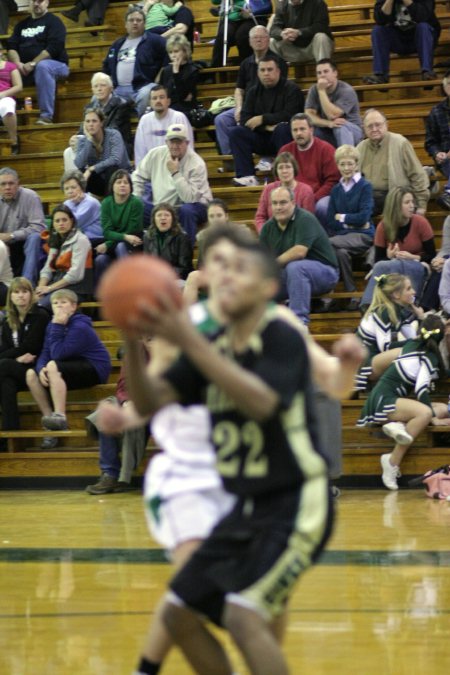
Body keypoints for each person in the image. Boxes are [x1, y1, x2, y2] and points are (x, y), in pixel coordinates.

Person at [95, 225, 364, 675]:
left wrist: (191, 341)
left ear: (265, 288)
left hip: (298, 501)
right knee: (178, 612)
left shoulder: (278, 333)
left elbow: (261, 403)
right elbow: (149, 401)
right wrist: (127, 337)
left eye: (240, 269)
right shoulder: (209, 339)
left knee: (243, 614)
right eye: (221, 268)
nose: (228, 278)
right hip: (245, 503)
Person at [357, 315, 450, 490]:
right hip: (384, 401)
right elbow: (421, 389)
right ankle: (392, 461)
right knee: (425, 413)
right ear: (442, 334)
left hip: (383, 398)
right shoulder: (430, 357)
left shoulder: (411, 344)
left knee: (441, 408)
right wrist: (433, 419)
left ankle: (398, 423)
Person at [25, 289, 111, 447]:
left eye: (63, 302)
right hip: (68, 367)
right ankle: (49, 422)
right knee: (31, 375)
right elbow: (45, 351)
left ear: (74, 306)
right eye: (55, 303)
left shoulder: (80, 325)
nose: (59, 307)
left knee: (53, 365)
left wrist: (57, 325)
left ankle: (60, 417)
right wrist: (41, 369)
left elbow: (58, 354)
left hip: (94, 368)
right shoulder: (52, 326)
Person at [260, 185, 339, 324]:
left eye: (283, 202)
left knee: (295, 267)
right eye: (275, 203)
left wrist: (272, 264)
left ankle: (299, 324)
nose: (278, 207)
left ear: (293, 203)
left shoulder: (305, 219)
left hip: (326, 273)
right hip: (292, 276)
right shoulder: (268, 228)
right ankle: (264, 326)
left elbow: (300, 251)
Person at [214, 24, 288, 167]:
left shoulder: (277, 62)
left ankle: (268, 158)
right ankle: (231, 159)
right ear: (249, 41)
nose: (258, 40)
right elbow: (239, 89)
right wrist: (239, 107)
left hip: (268, 107)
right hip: (246, 107)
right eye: (255, 37)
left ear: (268, 40)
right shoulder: (245, 63)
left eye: (261, 37)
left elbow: (279, 90)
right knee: (221, 120)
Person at [229, 56, 304, 187]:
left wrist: (262, 119)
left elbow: (290, 115)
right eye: (262, 70)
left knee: (282, 128)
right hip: (261, 137)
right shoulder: (253, 91)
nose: (266, 73)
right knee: (236, 132)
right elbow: (245, 120)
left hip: (284, 138)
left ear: (278, 72)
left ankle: (283, 177)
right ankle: (247, 176)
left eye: (270, 69)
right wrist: (267, 127)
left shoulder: (292, 89)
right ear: (258, 73)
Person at [132, 123, 212, 242]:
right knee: (136, 205)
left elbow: (190, 198)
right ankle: (146, 249)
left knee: (187, 210)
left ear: (187, 143)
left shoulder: (197, 164)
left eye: (179, 142)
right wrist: (138, 196)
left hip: (194, 206)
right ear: (166, 142)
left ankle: (185, 254)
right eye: (172, 142)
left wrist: (175, 173)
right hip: (162, 207)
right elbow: (137, 177)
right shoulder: (155, 154)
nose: (175, 146)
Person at [360, 187, 436, 309]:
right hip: (393, 270)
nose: (412, 206)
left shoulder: (421, 222)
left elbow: (432, 256)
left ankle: (371, 306)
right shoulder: (383, 226)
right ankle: (368, 307)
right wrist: (389, 256)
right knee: (384, 265)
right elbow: (379, 260)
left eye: (412, 202)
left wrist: (413, 257)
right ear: (395, 206)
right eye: (407, 202)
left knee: (398, 264)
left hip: (418, 267)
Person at [0, 278, 49, 443]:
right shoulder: (7, 322)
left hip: (36, 368)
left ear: (31, 294)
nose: (21, 296)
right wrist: (16, 357)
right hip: (16, 368)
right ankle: (10, 436)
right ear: (11, 297)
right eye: (16, 292)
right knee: (6, 384)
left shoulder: (40, 315)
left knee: (4, 365)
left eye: (24, 291)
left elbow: (32, 346)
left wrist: (12, 356)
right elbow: (4, 350)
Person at [355, 273, 423, 391]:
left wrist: (421, 317)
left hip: (375, 359)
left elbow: (414, 337)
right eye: (408, 288)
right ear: (396, 294)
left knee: (418, 347)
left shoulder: (398, 311)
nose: (413, 292)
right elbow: (385, 347)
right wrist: (413, 342)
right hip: (364, 364)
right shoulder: (383, 311)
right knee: (404, 350)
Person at [326, 145, 374, 311]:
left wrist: (342, 218)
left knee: (327, 243)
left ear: (356, 164)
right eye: (342, 164)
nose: (346, 168)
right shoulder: (336, 190)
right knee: (340, 253)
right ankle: (352, 294)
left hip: (364, 236)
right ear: (337, 165)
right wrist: (352, 222)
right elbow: (330, 221)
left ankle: (327, 292)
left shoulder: (365, 186)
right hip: (344, 239)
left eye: (349, 164)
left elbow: (364, 217)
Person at [357, 108, 430, 216]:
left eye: (378, 125)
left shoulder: (400, 143)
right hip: (369, 197)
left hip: (395, 196)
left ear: (386, 124)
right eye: (370, 126)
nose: (374, 129)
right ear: (364, 129)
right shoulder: (360, 148)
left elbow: (417, 175)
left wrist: (421, 205)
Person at [7, 0, 69, 125]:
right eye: (34, 1)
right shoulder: (21, 25)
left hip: (57, 64)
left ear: (47, 2)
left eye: (40, 1)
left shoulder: (54, 22)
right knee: (5, 68)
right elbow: (11, 47)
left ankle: (46, 116)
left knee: (43, 66)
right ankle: (6, 115)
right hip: (25, 68)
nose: (36, 4)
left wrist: (33, 63)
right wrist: (18, 63)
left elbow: (54, 48)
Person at [102, 6, 168, 118]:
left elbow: (169, 54)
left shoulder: (155, 40)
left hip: (142, 87)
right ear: (126, 24)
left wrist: (160, 73)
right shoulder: (117, 44)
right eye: (131, 20)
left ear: (144, 23)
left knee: (146, 93)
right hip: (118, 89)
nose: (135, 23)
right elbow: (106, 66)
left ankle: (142, 122)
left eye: (139, 20)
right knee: (98, 97)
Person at [279, 113, 341, 226]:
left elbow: (332, 181)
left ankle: (324, 238)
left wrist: (311, 199)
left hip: (319, 197)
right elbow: (280, 178)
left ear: (311, 130)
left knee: (323, 206)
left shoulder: (326, 149)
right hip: (293, 197)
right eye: (295, 130)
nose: (299, 133)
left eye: (302, 129)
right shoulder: (285, 151)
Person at [64, 72, 133, 171]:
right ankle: (76, 183)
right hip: (95, 141)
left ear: (111, 88)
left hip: (114, 144)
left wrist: (90, 137)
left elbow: (112, 130)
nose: (99, 89)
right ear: (92, 90)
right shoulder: (89, 107)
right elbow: (83, 129)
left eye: (103, 85)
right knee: (68, 151)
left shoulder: (122, 105)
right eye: (96, 86)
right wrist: (77, 137)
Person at [362, 0, 440, 85]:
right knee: (378, 30)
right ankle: (380, 75)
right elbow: (380, 20)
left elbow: (423, 17)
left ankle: (427, 72)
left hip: (421, 39)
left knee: (423, 26)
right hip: (398, 40)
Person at [35, 204, 93, 310]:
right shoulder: (55, 239)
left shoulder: (81, 240)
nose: (61, 224)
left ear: (71, 221)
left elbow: (75, 275)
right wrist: (40, 289)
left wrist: (49, 288)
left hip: (76, 288)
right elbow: (48, 268)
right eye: (57, 221)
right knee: (29, 303)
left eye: (64, 220)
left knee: (39, 308)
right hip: (56, 285)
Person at [94, 169, 144, 284]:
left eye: (126, 182)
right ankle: (99, 296)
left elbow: (132, 231)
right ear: (112, 186)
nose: (122, 185)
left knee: (121, 246)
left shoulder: (136, 203)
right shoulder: (106, 203)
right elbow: (107, 232)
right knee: (100, 260)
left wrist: (108, 244)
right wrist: (125, 237)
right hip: (118, 242)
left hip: (133, 245)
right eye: (119, 182)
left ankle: (129, 284)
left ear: (131, 187)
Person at [0, 167, 45, 285]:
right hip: (3, 245)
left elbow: (39, 227)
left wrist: (11, 236)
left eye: (11, 183)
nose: (7, 187)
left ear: (18, 184)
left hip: (25, 243)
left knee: (35, 238)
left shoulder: (31, 197)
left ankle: (27, 284)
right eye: (3, 184)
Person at [305, 59, 363, 148]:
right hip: (329, 129)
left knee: (340, 126)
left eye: (326, 71)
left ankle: (346, 158)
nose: (322, 75)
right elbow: (309, 116)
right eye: (319, 73)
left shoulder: (346, 90)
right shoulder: (313, 90)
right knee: (311, 130)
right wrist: (328, 123)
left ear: (335, 73)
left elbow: (332, 115)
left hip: (352, 131)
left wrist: (321, 91)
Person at [74, 107, 130, 197]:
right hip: (100, 181)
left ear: (101, 123)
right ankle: (80, 204)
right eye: (87, 121)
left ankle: (110, 203)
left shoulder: (113, 135)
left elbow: (116, 159)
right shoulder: (83, 140)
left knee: (111, 168)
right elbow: (78, 163)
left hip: (120, 178)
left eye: (94, 121)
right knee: (80, 172)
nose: (91, 124)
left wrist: (92, 168)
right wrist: (89, 140)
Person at [134, 84, 193, 166]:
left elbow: (189, 148)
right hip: (152, 172)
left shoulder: (179, 117)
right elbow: (140, 153)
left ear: (168, 101)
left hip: (177, 169)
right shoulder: (144, 121)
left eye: (161, 97)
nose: (158, 101)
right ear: (150, 103)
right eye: (154, 98)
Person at [255, 151, 315, 232]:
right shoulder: (268, 189)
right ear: (276, 171)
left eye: (288, 167)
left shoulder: (306, 191)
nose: (284, 171)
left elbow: (308, 222)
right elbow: (260, 217)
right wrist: (265, 233)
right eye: (280, 168)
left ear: (294, 169)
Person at [210, 0, 270, 67]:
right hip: (233, 17)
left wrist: (244, 7)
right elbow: (215, 1)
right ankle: (215, 72)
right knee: (223, 35)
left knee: (242, 35)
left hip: (254, 15)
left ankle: (246, 67)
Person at [143, 202, 193, 280]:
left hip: (176, 279)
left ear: (173, 219)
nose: (163, 218)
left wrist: (163, 275)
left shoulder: (182, 237)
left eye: (167, 215)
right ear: (154, 219)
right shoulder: (147, 237)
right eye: (159, 215)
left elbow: (185, 268)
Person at [424, 71, 450, 210]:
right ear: (445, 88)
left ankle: (449, 192)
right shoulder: (436, 112)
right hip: (446, 159)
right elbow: (430, 142)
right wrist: (437, 153)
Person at [158, 35, 199, 117]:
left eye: (176, 51)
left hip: (185, 109)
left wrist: (176, 72)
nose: (173, 55)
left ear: (185, 51)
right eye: (170, 52)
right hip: (168, 107)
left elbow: (183, 96)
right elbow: (165, 93)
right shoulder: (166, 70)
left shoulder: (192, 70)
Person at [61, 169, 103, 247]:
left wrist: (72, 204)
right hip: (81, 240)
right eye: (66, 188)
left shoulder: (90, 202)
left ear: (82, 187)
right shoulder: (67, 203)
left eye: (73, 187)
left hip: (96, 240)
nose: (70, 191)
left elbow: (74, 223)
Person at [0, 42, 22, 153]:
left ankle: (14, 141)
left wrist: (3, 94)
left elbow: (18, 86)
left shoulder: (10, 66)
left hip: (5, 96)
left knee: (6, 106)